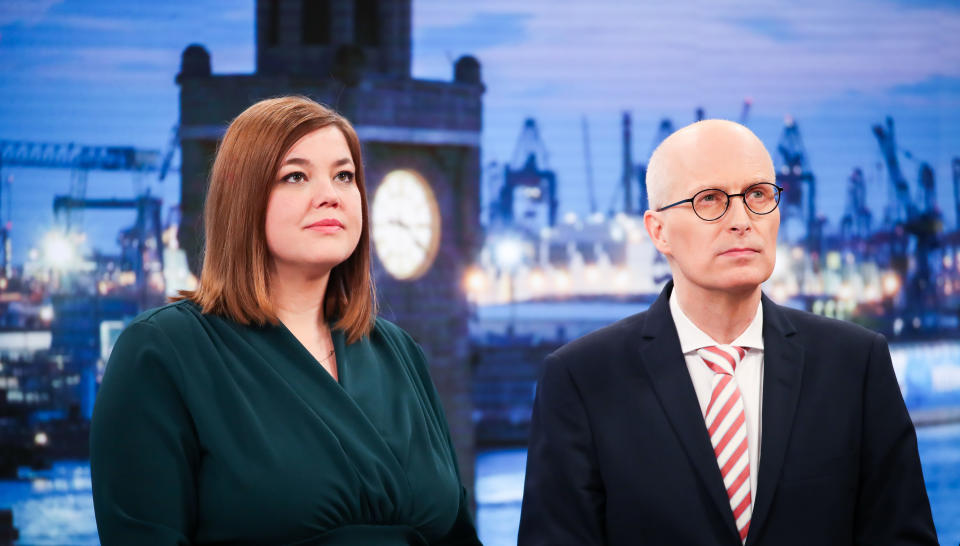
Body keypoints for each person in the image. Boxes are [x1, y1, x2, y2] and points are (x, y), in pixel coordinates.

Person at [518, 119, 938, 545]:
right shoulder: (582, 379)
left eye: (757, 195)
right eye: (711, 200)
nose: (742, 220)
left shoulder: (855, 363)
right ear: (658, 231)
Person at [90, 96, 481, 545]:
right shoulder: (161, 351)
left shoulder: (398, 352)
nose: (329, 196)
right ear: (242, 197)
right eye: (295, 176)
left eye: (344, 176)